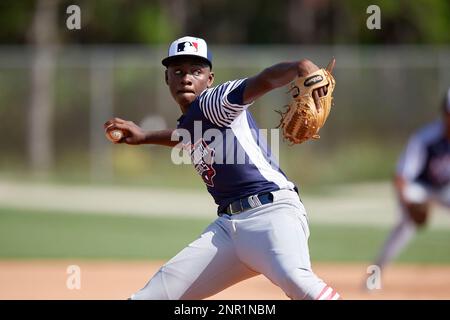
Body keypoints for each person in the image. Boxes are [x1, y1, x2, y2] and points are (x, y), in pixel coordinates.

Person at [104, 36, 339, 300]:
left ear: (210, 79)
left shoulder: (216, 101)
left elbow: (264, 80)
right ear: (167, 78)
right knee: (153, 296)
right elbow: (184, 135)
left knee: (299, 284)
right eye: (178, 71)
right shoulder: (192, 120)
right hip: (228, 230)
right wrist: (145, 136)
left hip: (272, 215)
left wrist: (301, 65)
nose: (186, 77)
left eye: (196, 70)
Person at [374, 89, 450, 270]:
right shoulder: (425, 138)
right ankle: (374, 275)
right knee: (404, 226)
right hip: (420, 188)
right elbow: (401, 177)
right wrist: (407, 205)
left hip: (446, 190)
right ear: (444, 113)